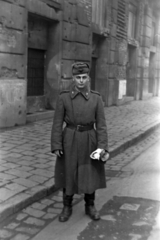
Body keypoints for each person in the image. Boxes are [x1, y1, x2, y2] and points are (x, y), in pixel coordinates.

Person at [51, 62, 109, 222]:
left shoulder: (96, 98)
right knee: (68, 172)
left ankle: (90, 205)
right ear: (73, 79)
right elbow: (57, 123)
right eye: (78, 77)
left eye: (84, 77)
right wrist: (56, 145)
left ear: (88, 78)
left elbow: (102, 125)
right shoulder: (63, 97)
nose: (81, 81)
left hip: (90, 138)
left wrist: (101, 147)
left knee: (90, 173)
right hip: (69, 138)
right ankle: (67, 206)